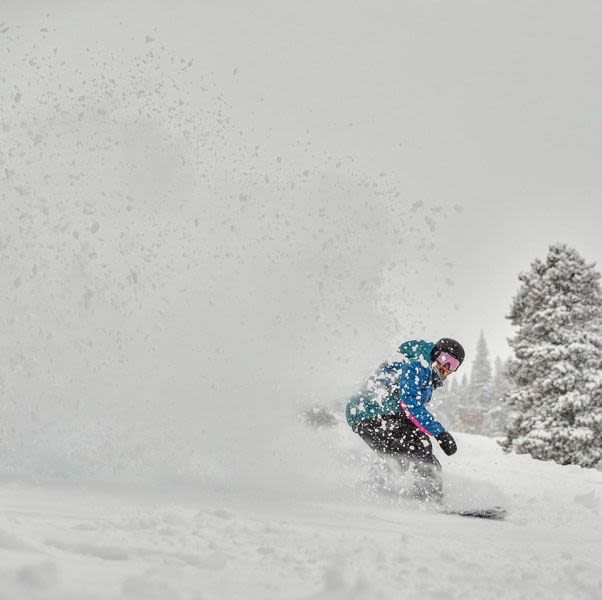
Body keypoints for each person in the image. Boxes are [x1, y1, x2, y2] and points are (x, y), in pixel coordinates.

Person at [345, 338, 465, 501]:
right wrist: (440, 433)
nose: (446, 367)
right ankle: (427, 496)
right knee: (418, 447)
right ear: (436, 353)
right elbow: (410, 404)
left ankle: (378, 487)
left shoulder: (426, 374)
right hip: (369, 412)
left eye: (453, 364)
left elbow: (409, 408)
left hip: (377, 414)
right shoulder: (418, 365)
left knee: (403, 452)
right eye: (445, 358)